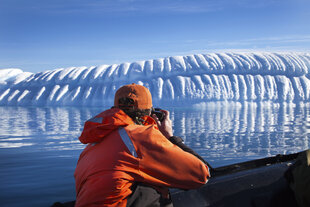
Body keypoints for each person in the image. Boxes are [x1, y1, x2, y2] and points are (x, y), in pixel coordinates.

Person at [74, 83, 210, 207]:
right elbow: (201, 175)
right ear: (148, 113)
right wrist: (170, 137)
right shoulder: (140, 136)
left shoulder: (93, 144)